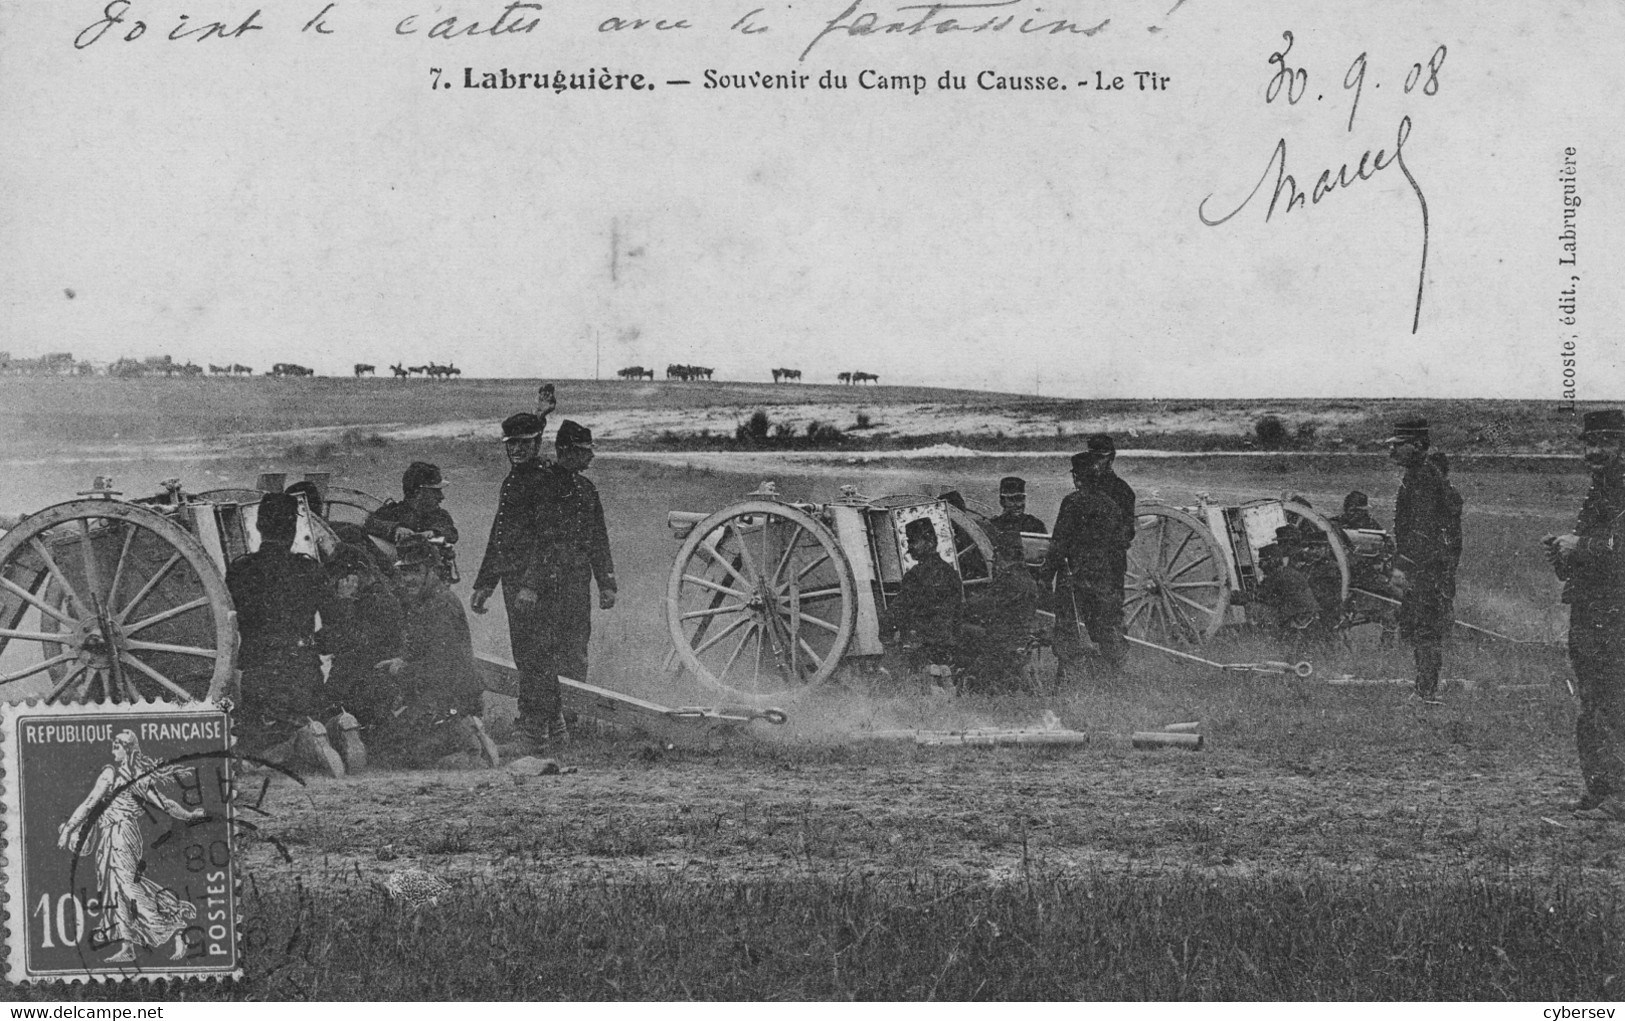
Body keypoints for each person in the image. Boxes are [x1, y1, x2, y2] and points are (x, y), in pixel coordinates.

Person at [58, 731, 205, 963]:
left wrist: (190, 815)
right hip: (109, 835)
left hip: (123, 834)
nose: (113, 750)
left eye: (117, 746)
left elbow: (164, 804)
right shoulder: (120, 774)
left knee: (128, 886)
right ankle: (128, 946)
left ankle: (173, 927)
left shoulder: (126, 776)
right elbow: (89, 804)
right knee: (114, 890)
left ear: (128, 749)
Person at [226, 491, 345, 776]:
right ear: (293, 529)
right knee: (298, 715)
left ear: (258, 526)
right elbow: (336, 626)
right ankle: (330, 728)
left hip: (258, 674)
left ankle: (302, 740)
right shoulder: (309, 569)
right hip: (304, 672)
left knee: (253, 746)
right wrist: (312, 644)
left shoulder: (240, 570)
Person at [1544, 409, 1625, 822]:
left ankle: (1618, 797)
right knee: (1593, 701)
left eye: (1606, 443)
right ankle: (1599, 789)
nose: (1595, 451)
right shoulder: (1602, 488)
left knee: (1611, 701)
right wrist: (1564, 552)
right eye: (1590, 443)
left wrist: (1582, 546)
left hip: (1614, 613)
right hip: (1591, 609)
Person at [472, 404, 560, 748]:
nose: (517, 449)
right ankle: (553, 727)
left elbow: (548, 538)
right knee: (530, 655)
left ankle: (531, 732)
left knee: (534, 656)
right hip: (514, 583)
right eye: (512, 444)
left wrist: (531, 585)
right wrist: (484, 583)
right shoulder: (513, 481)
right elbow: (500, 535)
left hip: (534, 586)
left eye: (524, 443)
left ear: (537, 443)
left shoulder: (544, 481)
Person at [375, 540, 500, 768]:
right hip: (438, 695)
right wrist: (400, 661)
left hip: (452, 699)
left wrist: (404, 670)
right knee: (388, 745)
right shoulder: (424, 601)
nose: (408, 579)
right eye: (404, 572)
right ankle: (464, 740)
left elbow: (442, 668)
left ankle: (470, 743)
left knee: (400, 753)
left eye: (415, 571)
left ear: (431, 571)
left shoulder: (441, 605)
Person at [530, 420, 618, 730]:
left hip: (577, 586)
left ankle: (571, 716)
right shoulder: (542, 486)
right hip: (547, 585)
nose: (591, 457)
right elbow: (536, 540)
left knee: (576, 650)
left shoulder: (587, 489)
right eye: (585, 451)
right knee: (547, 651)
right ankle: (546, 719)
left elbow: (599, 540)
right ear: (566, 451)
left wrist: (606, 584)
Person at [1041, 447, 1130, 677]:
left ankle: (1068, 676)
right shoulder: (1110, 505)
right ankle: (1115, 673)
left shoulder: (1071, 502)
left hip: (1073, 577)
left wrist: (1045, 577)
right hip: (1102, 577)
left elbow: (1059, 544)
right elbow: (1119, 544)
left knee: (1068, 628)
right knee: (1105, 627)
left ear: (1076, 477)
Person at [316, 542, 404, 770]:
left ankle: (345, 731)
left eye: (342, 579)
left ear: (360, 572)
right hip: (363, 682)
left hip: (368, 685)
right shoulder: (369, 598)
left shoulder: (379, 602)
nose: (338, 586)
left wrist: (343, 603)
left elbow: (350, 643)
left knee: (319, 712)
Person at [1388, 417, 1456, 703]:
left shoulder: (1423, 478)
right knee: (1422, 629)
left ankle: (1426, 692)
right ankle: (1424, 689)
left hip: (1428, 568)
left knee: (1426, 630)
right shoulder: (1419, 474)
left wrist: (1402, 566)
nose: (1392, 451)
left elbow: (1421, 529)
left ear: (1417, 445)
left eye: (1399, 445)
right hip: (1429, 566)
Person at [963, 523, 1040, 689]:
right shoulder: (1027, 578)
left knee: (961, 627)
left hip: (1002, 642)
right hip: (1021, 639)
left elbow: (981, 605)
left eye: (995, 557)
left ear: (999, 555)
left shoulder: (1008, 579)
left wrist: (962, 604)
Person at [884, 516, 963, 673]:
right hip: (947, 637)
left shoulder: (915, 575)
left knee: (884, 670)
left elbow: (898, 610)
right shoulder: (951, 573)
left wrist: (886, 630)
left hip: (921, 639)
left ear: (929, 542)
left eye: (913, 542)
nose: (909, 548)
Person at [1249, 539, 1321, 655]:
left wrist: (1233, 596)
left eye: (1263, 561)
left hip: (1298, 619)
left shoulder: (1277, 577)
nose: (1260, 565)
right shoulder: (1287, 572)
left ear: (1272, 561)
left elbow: (1260, 596)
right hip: (1308, 618)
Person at [1428, 451, 1465, 602]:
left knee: (1442, 580)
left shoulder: (1443, 492)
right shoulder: (1448, 490)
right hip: (1449, 542)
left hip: (1445, 542)